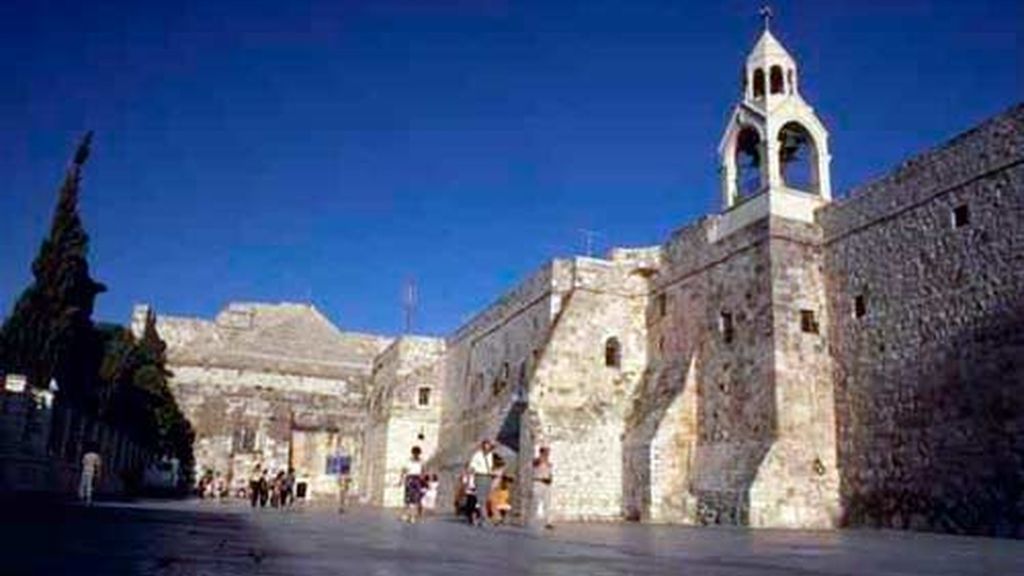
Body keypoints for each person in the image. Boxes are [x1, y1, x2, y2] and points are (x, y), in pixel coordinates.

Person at [468, 439, 496, 523]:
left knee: (485, 497)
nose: (487, 447)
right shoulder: (477, 455)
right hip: (480, 476)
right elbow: (472, 466)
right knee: (481, 498)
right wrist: (472, 471)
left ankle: (480, 517)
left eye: (489, 445)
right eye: (486, 445)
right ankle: (485, 517)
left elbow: (492, 466)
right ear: (483, 446)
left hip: (488, 477)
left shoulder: (490, 455)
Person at [399, 446, 425, 523]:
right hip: (410, 478)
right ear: (413, 453)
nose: (416, 454)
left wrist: (422, 479)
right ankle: (406, 515)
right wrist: (401, 480)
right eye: (415, 453)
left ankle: (412, 516)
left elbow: (423, 470)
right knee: (407, 497)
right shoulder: (408, 461)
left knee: (415, 498)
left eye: (418, 453)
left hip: (417, 479)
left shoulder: (421, 461)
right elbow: (404, 470)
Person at [533, 446, 554, 529]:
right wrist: (541, 460)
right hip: (538, 483)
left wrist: (550, 478)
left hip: (547, 484)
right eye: (546, 452)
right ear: (542, 452)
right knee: (535, 502)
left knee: (547, 503)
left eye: (548, 452)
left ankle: (548, 522)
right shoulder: (537, 461)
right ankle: (531, 520)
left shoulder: (549, 463)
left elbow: (550, 474)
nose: (548, 454)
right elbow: (535, 464)